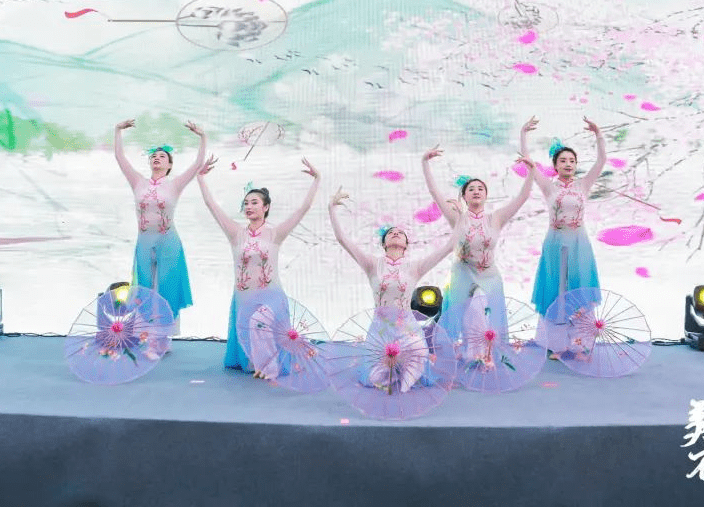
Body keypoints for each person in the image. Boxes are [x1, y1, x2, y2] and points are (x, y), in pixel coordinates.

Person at [196, 154, 320, 377]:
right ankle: (260, 364)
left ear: (266, 207)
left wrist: (317, 179)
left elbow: (304, 208)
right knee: (251, 337)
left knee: (259, 322)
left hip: (270, 295)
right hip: (244, 297)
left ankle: (269, 366)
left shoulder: (275, 233)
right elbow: (211, 205)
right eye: (246, 203)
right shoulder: (236, 233)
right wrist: (201, 178)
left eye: (254, 202)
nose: (249, 206)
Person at [328, 187, 459, 392]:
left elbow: (450, 246)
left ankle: (405, 379)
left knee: (419, 352)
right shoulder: (372, 264)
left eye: (400, 233)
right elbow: (342, 239)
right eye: (390, 233)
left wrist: (461, 218)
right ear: (384, 244)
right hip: (380, 328)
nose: (395, 234)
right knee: (374, 376)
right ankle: (392, 374)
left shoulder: (414, 267)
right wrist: (331, 209)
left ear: (406, 244)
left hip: (406, 327)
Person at [421, 121, 537, 348]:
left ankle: (490, 355)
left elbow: (523, 196)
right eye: (471, 189)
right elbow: (434, 192)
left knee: (493, 318)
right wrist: (425, 162)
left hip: (489, 274)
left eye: (480, 188)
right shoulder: (457, 217)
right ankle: (449, 354)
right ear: (464, 196)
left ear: (486, 195)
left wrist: (531, 170)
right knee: (457, 316)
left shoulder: (496, 218)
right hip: (462, 272)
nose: (476, 191)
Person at [114, 118, 206, 335]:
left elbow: (197, 164)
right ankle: (144, 333)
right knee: (144, 287)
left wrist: (203, 137)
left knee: (167, 287)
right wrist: (117, 130)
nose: (157, 158)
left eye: (162, 156)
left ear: (170, 165)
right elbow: (119, 157)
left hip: (168, 242)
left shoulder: (174, 184)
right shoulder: (138, 182)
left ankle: (164, 336)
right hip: (144, 242)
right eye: (153, 156)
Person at [525, 117, 606, 358]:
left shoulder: (583, 185)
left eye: (572, 160)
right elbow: (529, 164)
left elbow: (602, 161)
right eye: (563, 160)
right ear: (555, 165)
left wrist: (598, 133)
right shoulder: (549, 187)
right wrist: (523, 134)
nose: (568, 164)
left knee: (579, 290)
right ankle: (558, 346)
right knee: (557, 293)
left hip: (579, 245)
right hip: (555, 245)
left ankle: (581, 345)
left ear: (576, 164)